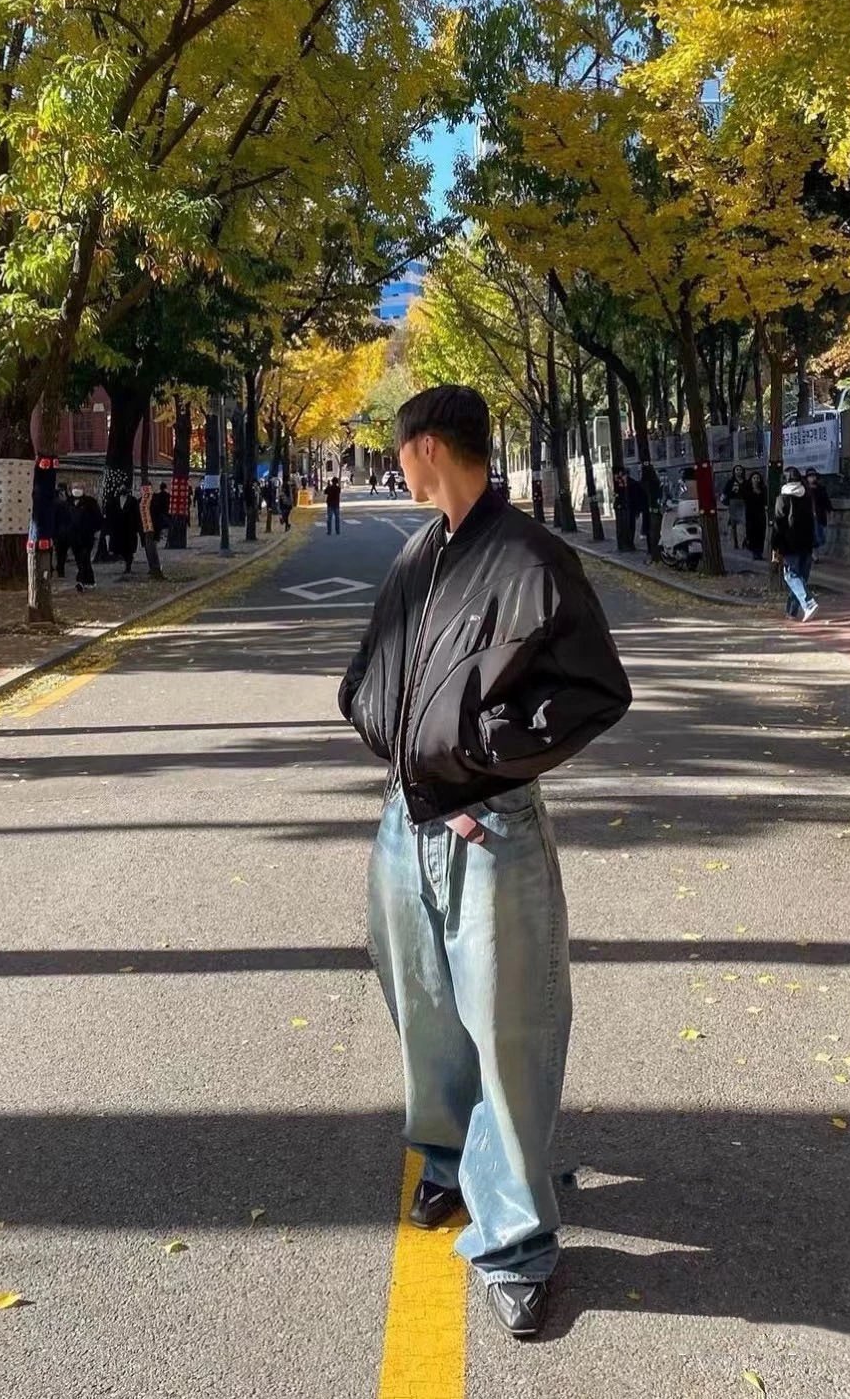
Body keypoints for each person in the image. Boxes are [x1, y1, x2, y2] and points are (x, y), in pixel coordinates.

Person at [338, 385, 632, 1340]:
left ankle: (517, 1242)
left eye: (398, 450)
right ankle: (448, 1162)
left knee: (509, 1028)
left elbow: (594, 691)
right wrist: (406, 758)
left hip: (489, 824)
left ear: (426, 447)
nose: (395, 465)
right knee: (424, 1010)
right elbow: (371, 676)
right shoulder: (420, 554)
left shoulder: (531, 559)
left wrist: (475, 759)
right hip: (407, 819)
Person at [773, 465, 819, 621]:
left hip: (790, 544)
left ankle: (808, 603)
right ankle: (791, 612)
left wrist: (775, 547)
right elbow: (812, 521)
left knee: (791, 576)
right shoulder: (806, 496)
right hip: (806, 543)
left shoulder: (782, 498)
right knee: (800, 578)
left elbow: (779, 525)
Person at [67, 483, 103, 591]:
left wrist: (95, 530)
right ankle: (90, 580)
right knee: (80, 560)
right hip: (73, 537)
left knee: (84, 558)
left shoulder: (90, 502)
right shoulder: (69, 502)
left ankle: (81, 581)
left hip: (87, 536)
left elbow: (98, 518)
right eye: (75, 488)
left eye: (79, 488)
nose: (76, 490)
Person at [110, 488, 142, 574]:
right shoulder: (115, 500)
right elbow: (112, 513)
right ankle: (126, 562)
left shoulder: (133, 500)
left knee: (129, 548)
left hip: (130, 528)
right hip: (119, 528)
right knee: (121, 548)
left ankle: (128, 566)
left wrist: (137, 527)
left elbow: (137, 514)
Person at [806, 467, 833, 559]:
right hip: (808, 516)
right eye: (810, 476)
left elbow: (826, 500)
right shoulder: (804, 489)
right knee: (812, 534)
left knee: (820, 535)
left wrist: (829, 510)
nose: (812, 478)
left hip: (819, 515)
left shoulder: (820, 488)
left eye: (813, 476)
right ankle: (814, 554)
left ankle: (814, 551)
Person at [743, 470, 769, 561]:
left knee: (761, 533)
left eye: (758, 478)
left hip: (761, 514)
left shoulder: (763, 490)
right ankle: (754, 552)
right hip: (751, 514)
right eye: (754, 478)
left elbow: (766, 501)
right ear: (751, 479)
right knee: (752, 533)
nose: (756, 480)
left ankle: (759, 552)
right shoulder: (748, 490)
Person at [723, 464, 748, 551]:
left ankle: (744, 541)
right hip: (733, 502)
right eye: (737, 470)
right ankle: (735, 542)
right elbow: (725, 493)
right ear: (734, 471)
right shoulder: (730, 482)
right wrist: (732, 491)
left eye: (740, 470)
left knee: (745, 523)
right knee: (733, 524)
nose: (739, 471)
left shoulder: (746, 482)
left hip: (743, 503)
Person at [53, 484, 72, 578]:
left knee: (58, 551)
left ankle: (56, 568)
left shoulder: (53, 505)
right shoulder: (64, 504)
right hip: (65, 531)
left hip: (56, 531)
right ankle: (61, 569)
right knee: (62, 552)